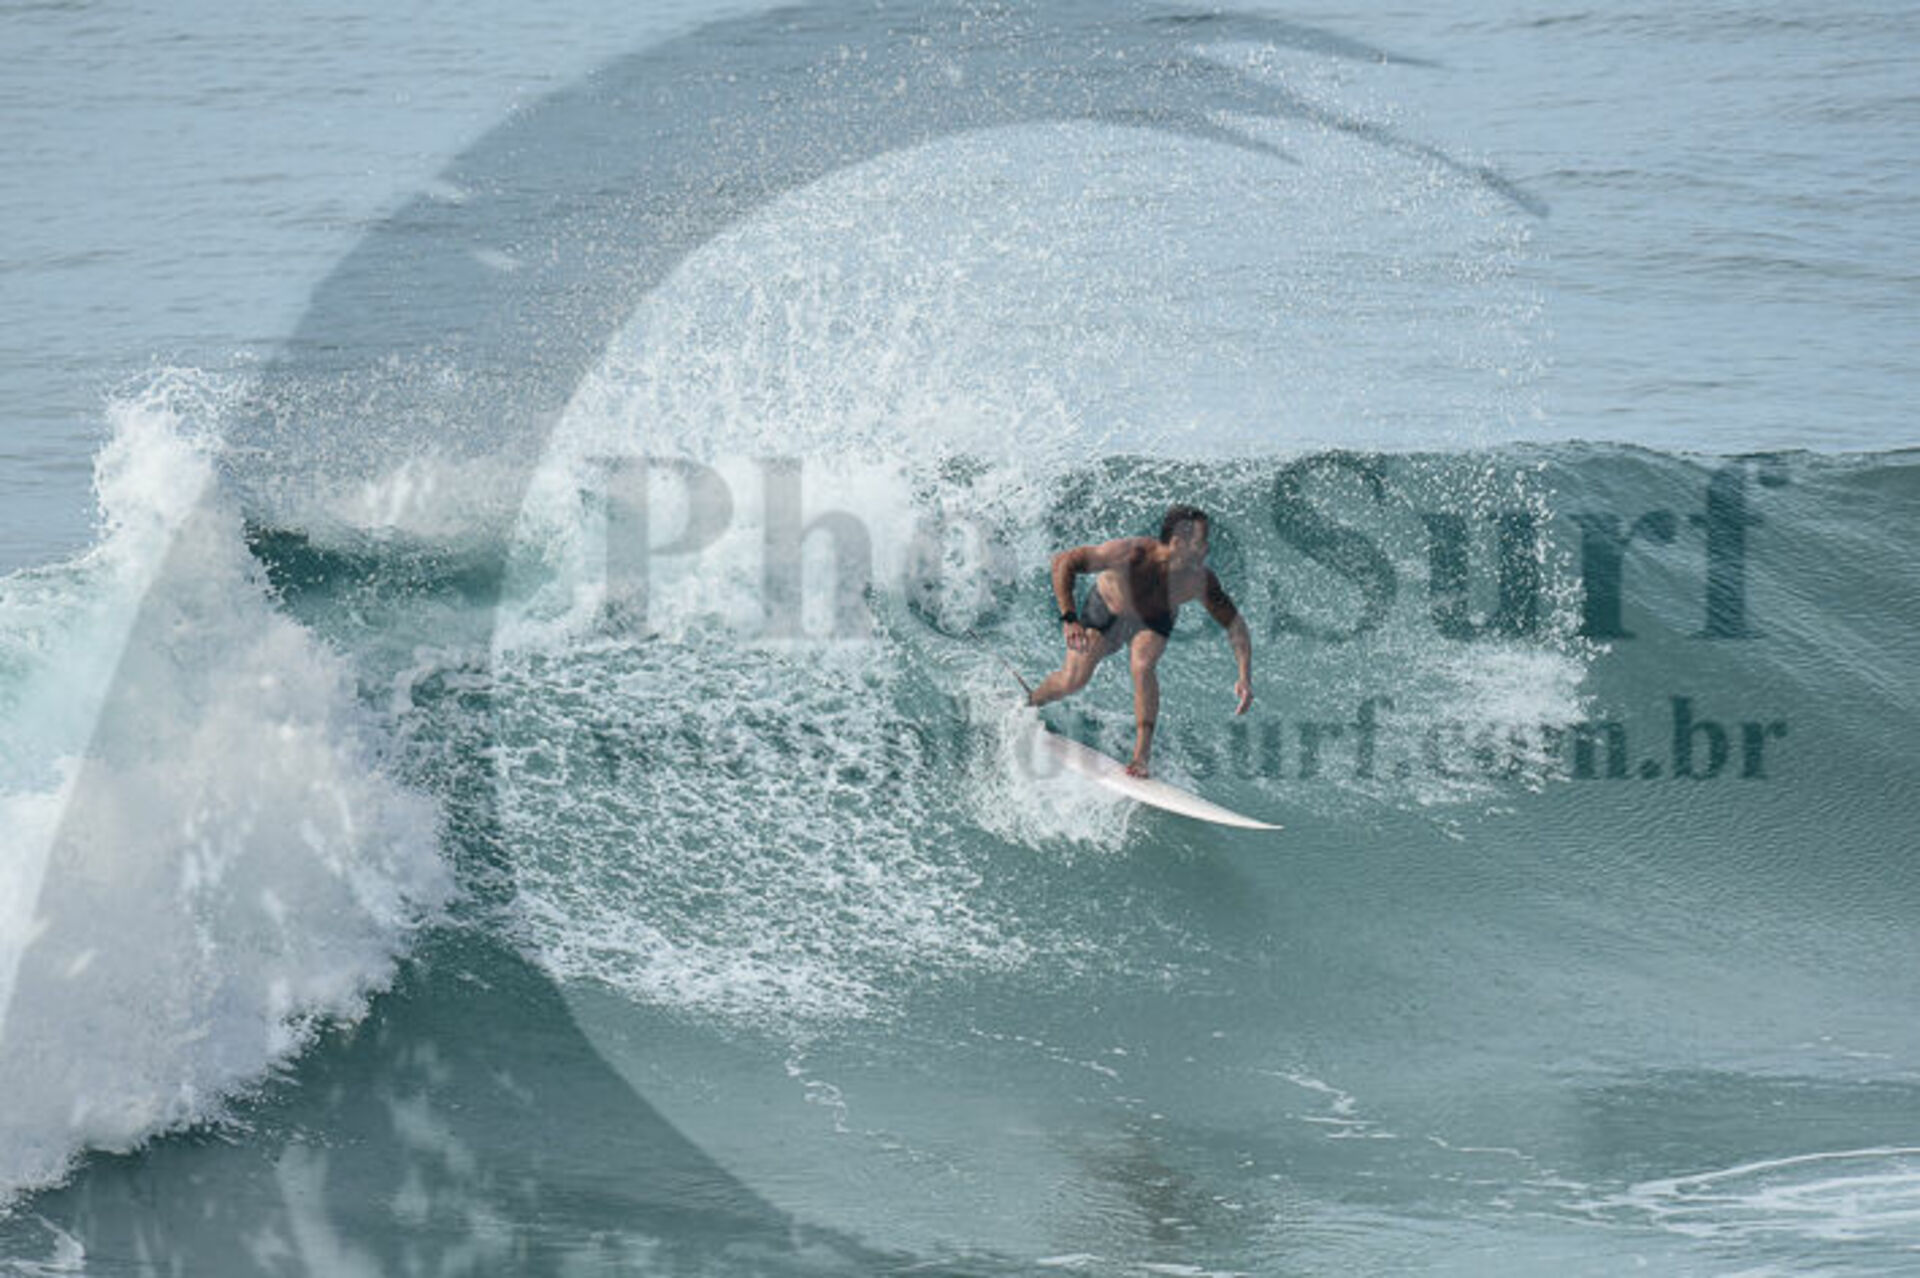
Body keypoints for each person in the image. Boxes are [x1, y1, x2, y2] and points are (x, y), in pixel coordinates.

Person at [1028, 504, 1253, 778]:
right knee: (1074, 679)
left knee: (1144, 664)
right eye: (1200, 542)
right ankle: (1030, 704)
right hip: (1106, 611)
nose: (1206, 549)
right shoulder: (1130, 553)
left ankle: (1141, 755)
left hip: (1153, 620)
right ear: (1177, 543)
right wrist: (1069, 617)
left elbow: (1235, 625)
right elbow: (1064, 562)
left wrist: (1244, 676)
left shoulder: (1198, 580)